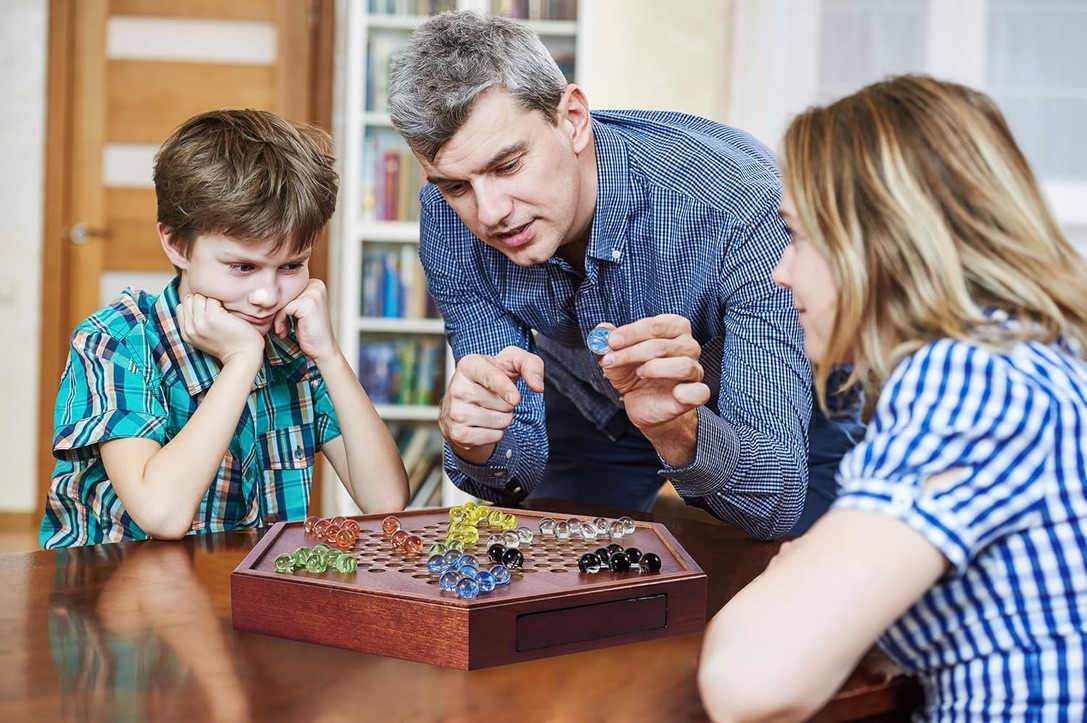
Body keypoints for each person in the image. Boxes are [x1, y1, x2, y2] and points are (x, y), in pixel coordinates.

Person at [697, 74, 1087, 721]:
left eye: (797, 236)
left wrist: (791, 578)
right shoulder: (1031, 356)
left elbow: (751, 682)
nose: (779, 271)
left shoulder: (970, 379)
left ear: (880, 242)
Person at [386, 10, 862, 539]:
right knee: (548, 574)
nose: (490, 211)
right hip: (595, 404)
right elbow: (510, 469)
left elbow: (774, 498)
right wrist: (475, 445)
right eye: (455, 186)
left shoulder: (739, 205)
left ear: (573, 119)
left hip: (789, 415)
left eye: (508, 166)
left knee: (772, 582)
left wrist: (677, 429)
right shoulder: (448, 216)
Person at [40, 109, 409, 549]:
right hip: (117, 596)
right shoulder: (116, 341)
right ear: (176, 244)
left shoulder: (295, 345)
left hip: (244, 593)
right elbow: (163, 513)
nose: (267, 295)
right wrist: (241, 361)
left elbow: (386, 502)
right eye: (242, 267)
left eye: (292, 265)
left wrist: (328, 354)